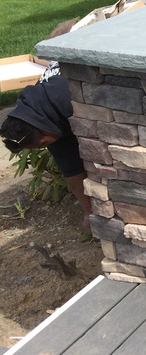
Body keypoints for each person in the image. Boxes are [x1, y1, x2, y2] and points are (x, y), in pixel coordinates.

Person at [1, 69, 92, 236]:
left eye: (42, 144)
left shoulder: (72, 98)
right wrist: (89, 212)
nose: (44, 147)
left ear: (44, 131)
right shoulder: (39, 121)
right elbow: (71, 169)